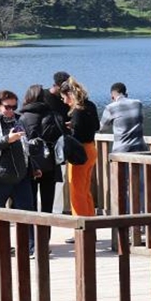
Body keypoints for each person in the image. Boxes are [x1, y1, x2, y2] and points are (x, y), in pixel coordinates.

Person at [0, 90, 36, 254]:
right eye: (7, 107)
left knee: (28, 212)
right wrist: (7, 140)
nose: (11, 110)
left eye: (14, 106)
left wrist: (33, 167)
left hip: (20, 175)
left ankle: (31, 248)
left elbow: (25, 149)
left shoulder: (19, 120)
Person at [19, 84, 65, 214]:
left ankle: (31, 234)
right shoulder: (53, 115)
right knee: (47, 205)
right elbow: (61, 136)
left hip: (29, 165)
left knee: (30, 203)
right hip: (50, 163)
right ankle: (46, 234)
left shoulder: (21, 117)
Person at [59, 77, 99, 217]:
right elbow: (96, 126)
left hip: (79, 153)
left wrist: (70, 128)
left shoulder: (77, 111)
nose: (63, 101)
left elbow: (75, 136)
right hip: (92, 149)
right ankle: (90, 221)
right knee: (85, 189)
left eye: (64, 97)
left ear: (70, 95)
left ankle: (80, 225)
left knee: (76, 191)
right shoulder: (90, 105)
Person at [99, 82, 147, 154]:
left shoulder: (110, 108)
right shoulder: (138, 104)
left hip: (121, 150)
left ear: (112, 97)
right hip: (140, 149)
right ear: (126, 94)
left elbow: (102, 129)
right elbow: (141, 119)